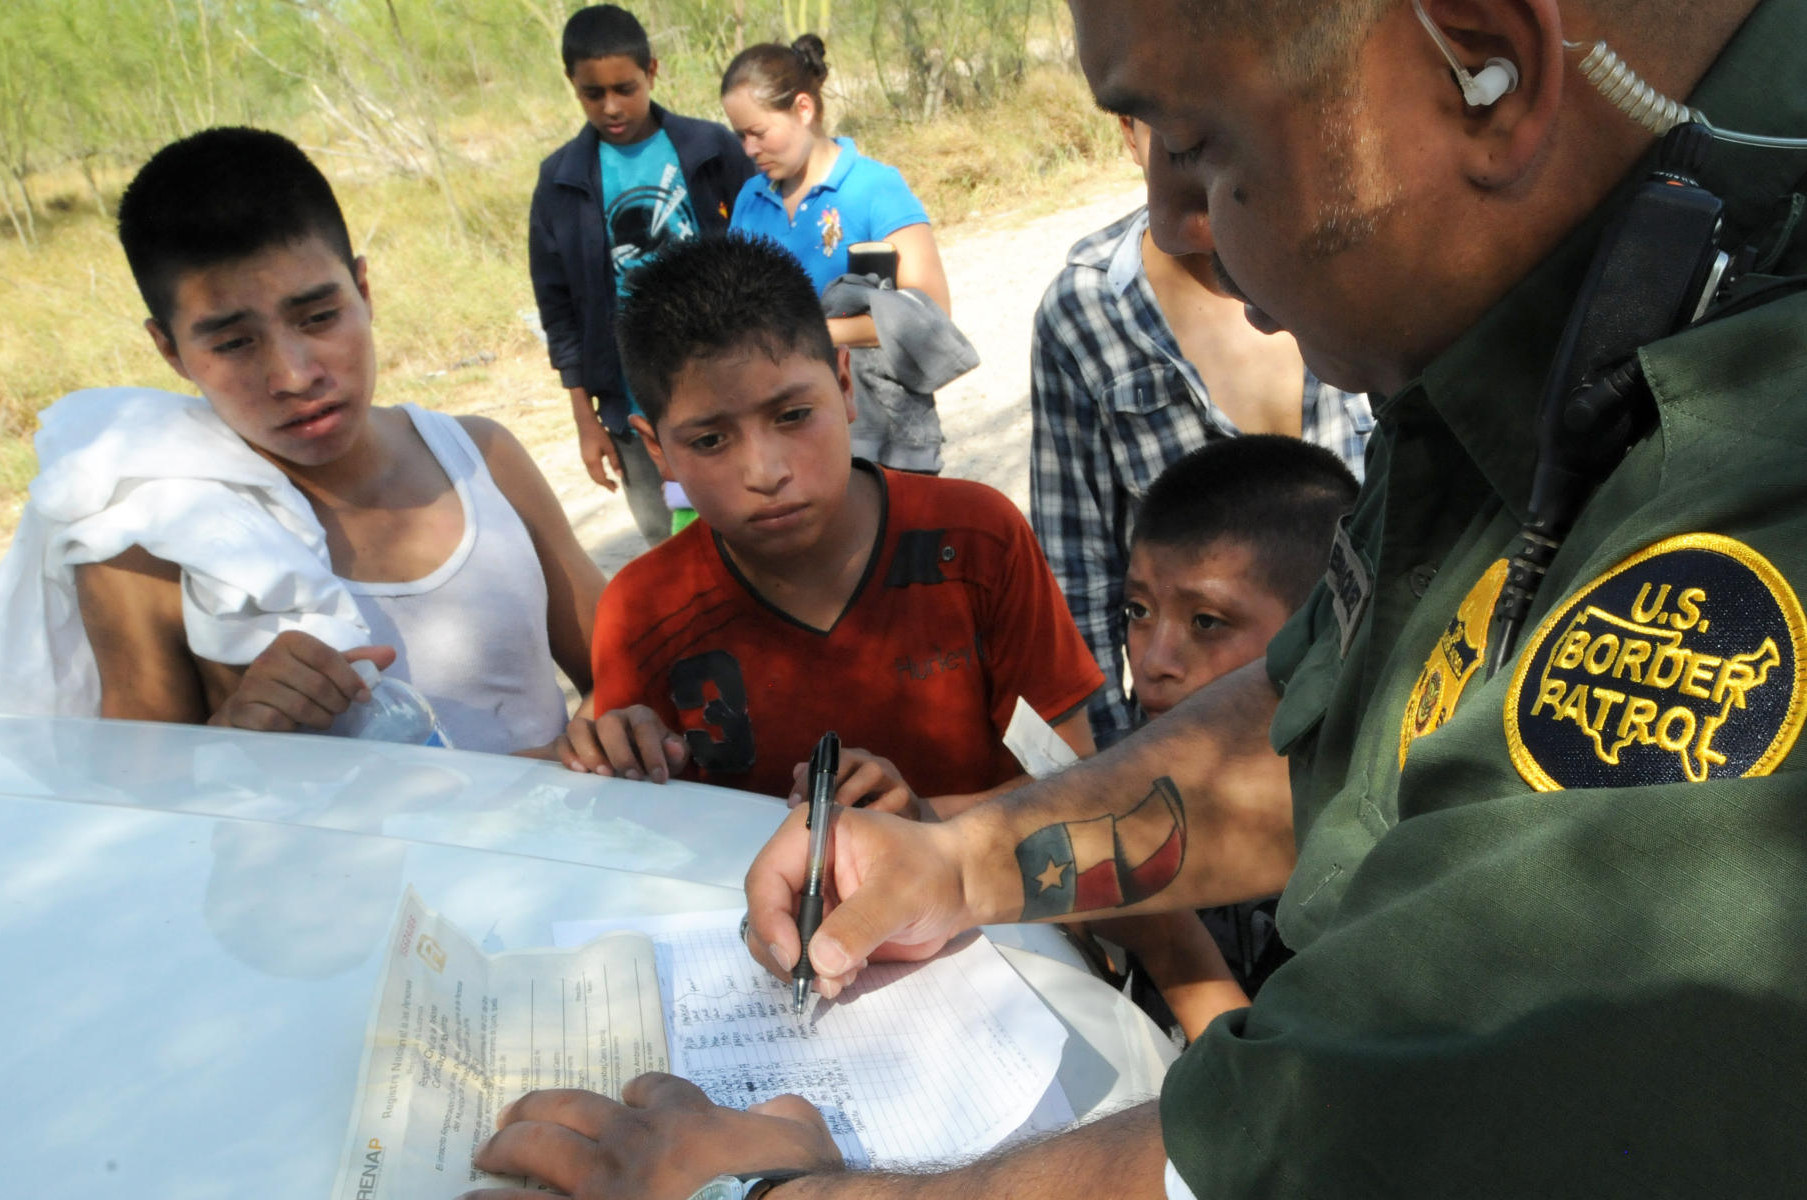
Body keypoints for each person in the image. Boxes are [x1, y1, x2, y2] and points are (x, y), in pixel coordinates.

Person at [460, 0, 1807, 1195]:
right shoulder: (1536, 330)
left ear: (1489, 66)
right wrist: (961, 856)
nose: (1174, 227)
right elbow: (1352, 699)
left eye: (1199, 146)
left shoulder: (1754, 450)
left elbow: (1364, 1126)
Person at [0, 127, 606, 756]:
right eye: (232, 343)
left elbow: (621, 666)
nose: (296, 375)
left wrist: (604, 739)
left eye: (319, 317)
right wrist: (240, 737)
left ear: (364, 289)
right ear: (168, 349)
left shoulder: (482, 459)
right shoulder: (148, 545)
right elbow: (142, 799)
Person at [561, 234, 1102, 805]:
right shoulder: (642, 610)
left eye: (793, 415)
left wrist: (925, 827)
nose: (765, 472)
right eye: (711, 439)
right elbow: (641, 826)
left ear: (845, 384)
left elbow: (1073, 778)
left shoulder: (973, 540)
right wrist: (614, 761)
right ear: (657, 451)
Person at [1030, 114, 1373, 750]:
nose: (1210, 164)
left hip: (1370, 713)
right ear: (1129, 133)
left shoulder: (1358, 259)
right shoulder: (1088, 311)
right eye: (1178, 135)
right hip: (1197, 752)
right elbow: (1076, 577)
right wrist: (1116, 781)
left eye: (1224, 113)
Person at [1098, 436, 1358, 1040]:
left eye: (1206, 622)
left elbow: (1277, 1114)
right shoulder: (1162, 785)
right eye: (1137, 611)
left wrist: (1168, 942)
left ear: (1317, 637)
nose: (1153, 660)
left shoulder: (1349, 854)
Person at [529, 5, 754, 545]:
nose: (611, 106)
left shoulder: (708, 148)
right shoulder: (560, 181)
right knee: (672, 544)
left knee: (747, 518)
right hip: (632, 400)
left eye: (625, 88)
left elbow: (758, 245)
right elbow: (558, 309)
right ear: (572, 85)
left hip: (726, 375)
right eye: (592, 93)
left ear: (652, 71)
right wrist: (587, 420)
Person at [721, 35, 958, 472]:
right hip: (786, 435)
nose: (748, 150)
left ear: (804, 109)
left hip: (881, 434)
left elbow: (932, 312)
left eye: (758, 133)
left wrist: (808, 333)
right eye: (740, 136)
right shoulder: (749, 201)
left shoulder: (875, 188)